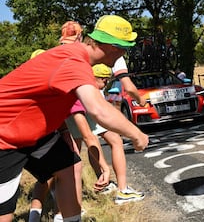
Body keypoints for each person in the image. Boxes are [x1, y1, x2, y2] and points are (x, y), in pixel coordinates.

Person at [0, 15, 149, 222]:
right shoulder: (73, 63)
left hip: (34, 133)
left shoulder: (77, 59)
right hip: (5, 137)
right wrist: (136, 134)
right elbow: (99, 110)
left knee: (69, 165)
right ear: (111, 46)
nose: (124, 53)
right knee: (4, 213)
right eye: (124, 47)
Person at [66, 64, 145, 205]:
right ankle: (121, 189)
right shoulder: (87, 91)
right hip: (82, 111)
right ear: (95, 77)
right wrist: (106, 168)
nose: (106, 84)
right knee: (110, 142)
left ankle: (95, 187)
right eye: (104, 80)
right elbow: (90, 137)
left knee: (78, 150)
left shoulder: (85, 85)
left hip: (75, 112)